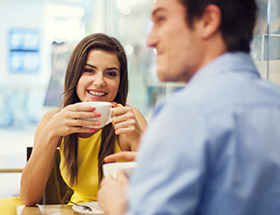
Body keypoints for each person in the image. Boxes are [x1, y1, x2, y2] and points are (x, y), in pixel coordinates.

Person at [98, 0, 280, 215]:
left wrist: (119, 207)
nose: (150, 40)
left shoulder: (185, 113)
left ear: (207, 21)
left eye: (161, 19)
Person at [19, 33, 147, 206]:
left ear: (119, 82)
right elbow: (28, 197)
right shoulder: (53, 120)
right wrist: (51, 132)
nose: (99, 81)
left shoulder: (131, 120)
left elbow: (160, 191)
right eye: (89, 70)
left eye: (110, 73)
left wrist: (137, 138)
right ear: (74, 74)